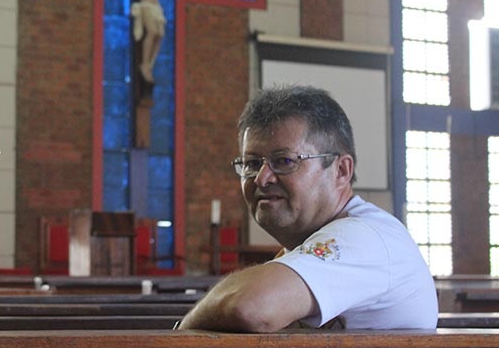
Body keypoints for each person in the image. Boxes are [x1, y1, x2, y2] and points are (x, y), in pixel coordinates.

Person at [178, 85, 438, 332]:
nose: (261, 178)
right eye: (251, 163)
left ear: (341, 170)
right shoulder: (315, 242)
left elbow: (250, 306)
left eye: (285, 160)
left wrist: (183, 330)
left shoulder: (366, 237)